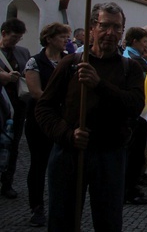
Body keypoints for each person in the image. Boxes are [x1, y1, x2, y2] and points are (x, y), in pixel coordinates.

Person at [35, 2, 145, 231]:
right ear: (92, 27)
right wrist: (67, 134)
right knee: (63, 220)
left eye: (117, 27)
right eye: (105, 26)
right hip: (69, 154)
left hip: (110, 155)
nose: (110, 33)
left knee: (108, 221)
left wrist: (99, 85)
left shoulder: (130, 68)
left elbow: (135, 106)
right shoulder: (71, 64)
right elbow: (44, 108)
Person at [23, 22, 70, 227]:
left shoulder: (68, 60)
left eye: (66, 37)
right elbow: (36, 92)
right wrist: (58, 102)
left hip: (62, 120)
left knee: (61, 163)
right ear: (49, 39)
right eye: (61, 37)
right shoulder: (35, 62)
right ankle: (37, 207)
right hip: (40, 121)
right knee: (39, 164)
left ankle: (60, 205)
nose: (65, 40)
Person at [0, 17, 31, 199]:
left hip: (18, 107)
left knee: (13, 145)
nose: (16, 41)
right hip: (1, 105)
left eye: (19, 38)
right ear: (4, 33)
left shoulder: (23, 52)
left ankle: (7, 182)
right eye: (13, 37)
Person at [122, 27, 147, 205]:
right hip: (136, 113)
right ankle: (129, 190)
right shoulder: (132, 59)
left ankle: (132, 185)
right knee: (133, 153)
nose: (145, 45)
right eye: (143, 41)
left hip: (139, 111)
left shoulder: (135, 57)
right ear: (134, 41)